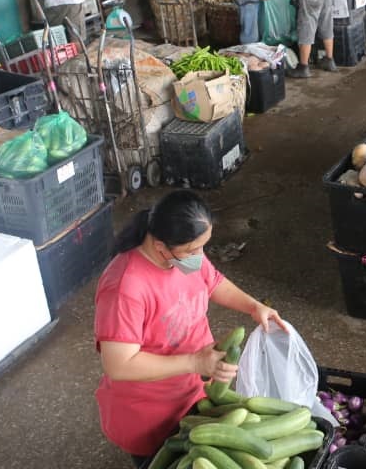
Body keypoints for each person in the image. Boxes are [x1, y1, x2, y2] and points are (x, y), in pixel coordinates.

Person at [94, 190, 287, 468]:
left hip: (195, 394)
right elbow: (118, 365)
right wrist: (195, 362)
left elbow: (213, 281)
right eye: (193, 250)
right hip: (150, 414)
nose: (200, 256)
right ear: (161, 247)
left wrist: (254, 307)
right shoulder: (125, 287)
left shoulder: (183, 256)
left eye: (203, 247)